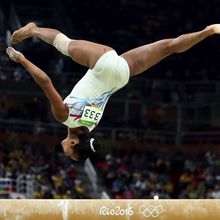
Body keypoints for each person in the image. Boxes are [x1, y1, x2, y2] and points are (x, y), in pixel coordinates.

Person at [6, 22, 220, 161]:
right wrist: (21, 59)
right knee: (64, 44)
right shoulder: (64, 117)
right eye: (68, 153)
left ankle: (208, 31)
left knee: (168, 47)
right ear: (72, 142)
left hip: (122, 77)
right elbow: (45, 81)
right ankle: (33, 30)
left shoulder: (93, 124)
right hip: (103, 65)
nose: (64, 152)